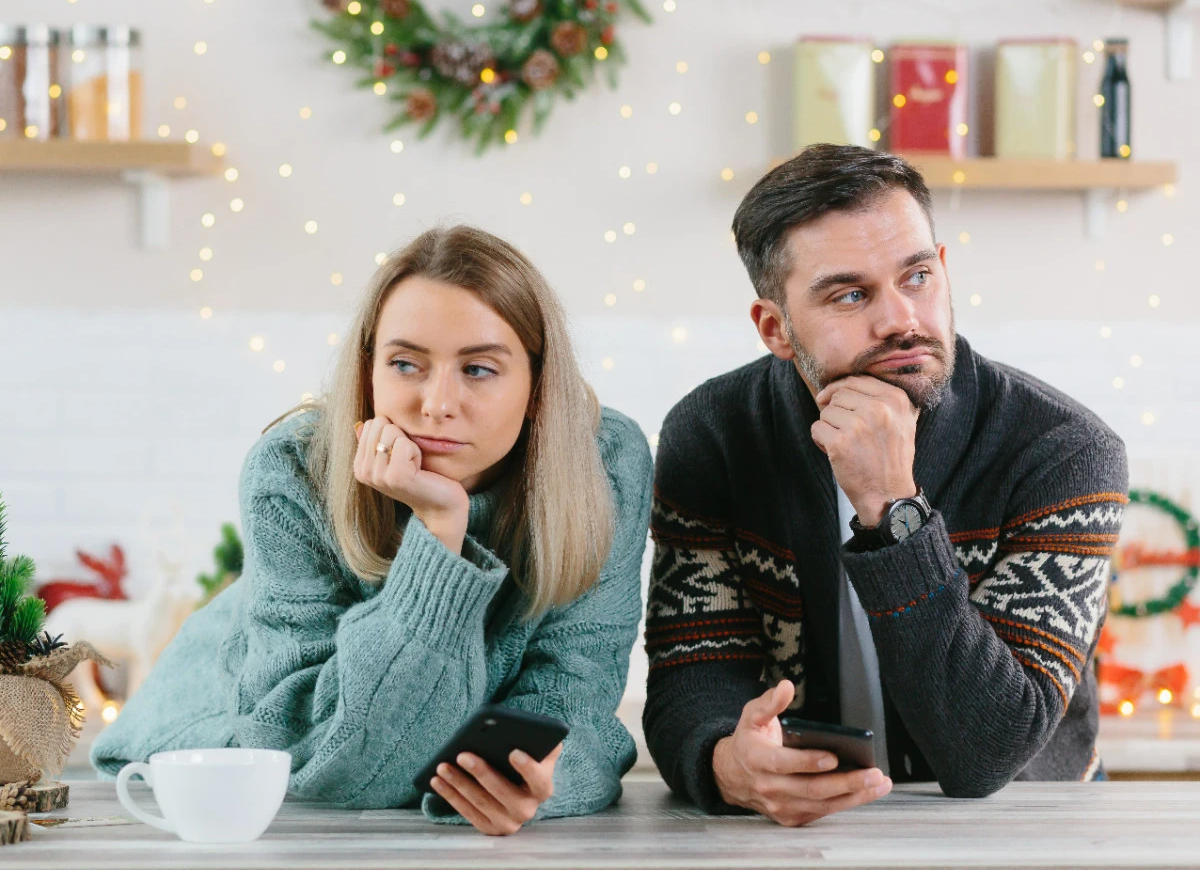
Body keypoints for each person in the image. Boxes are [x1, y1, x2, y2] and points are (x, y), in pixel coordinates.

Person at [93, 225, 654, 836]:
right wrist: (440, 526)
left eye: (480, 369)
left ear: (539, 386)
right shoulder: (291, 470)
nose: (436, 404)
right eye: (406, 363)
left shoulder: (606, 463)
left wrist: (533, 781)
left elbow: (580, 699)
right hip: (236, 730)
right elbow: (342, 758)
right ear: (367, 371)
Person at [642, 144, 1128, 826]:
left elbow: (989, 753)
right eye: (850, 294)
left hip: (1029, 829)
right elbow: (692, 677)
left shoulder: (1062, 453)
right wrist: (728, 761)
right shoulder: (716, 435)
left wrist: (891, 507)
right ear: (775, 328)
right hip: (801, 831)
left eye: (917, 277)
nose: (901, 318)